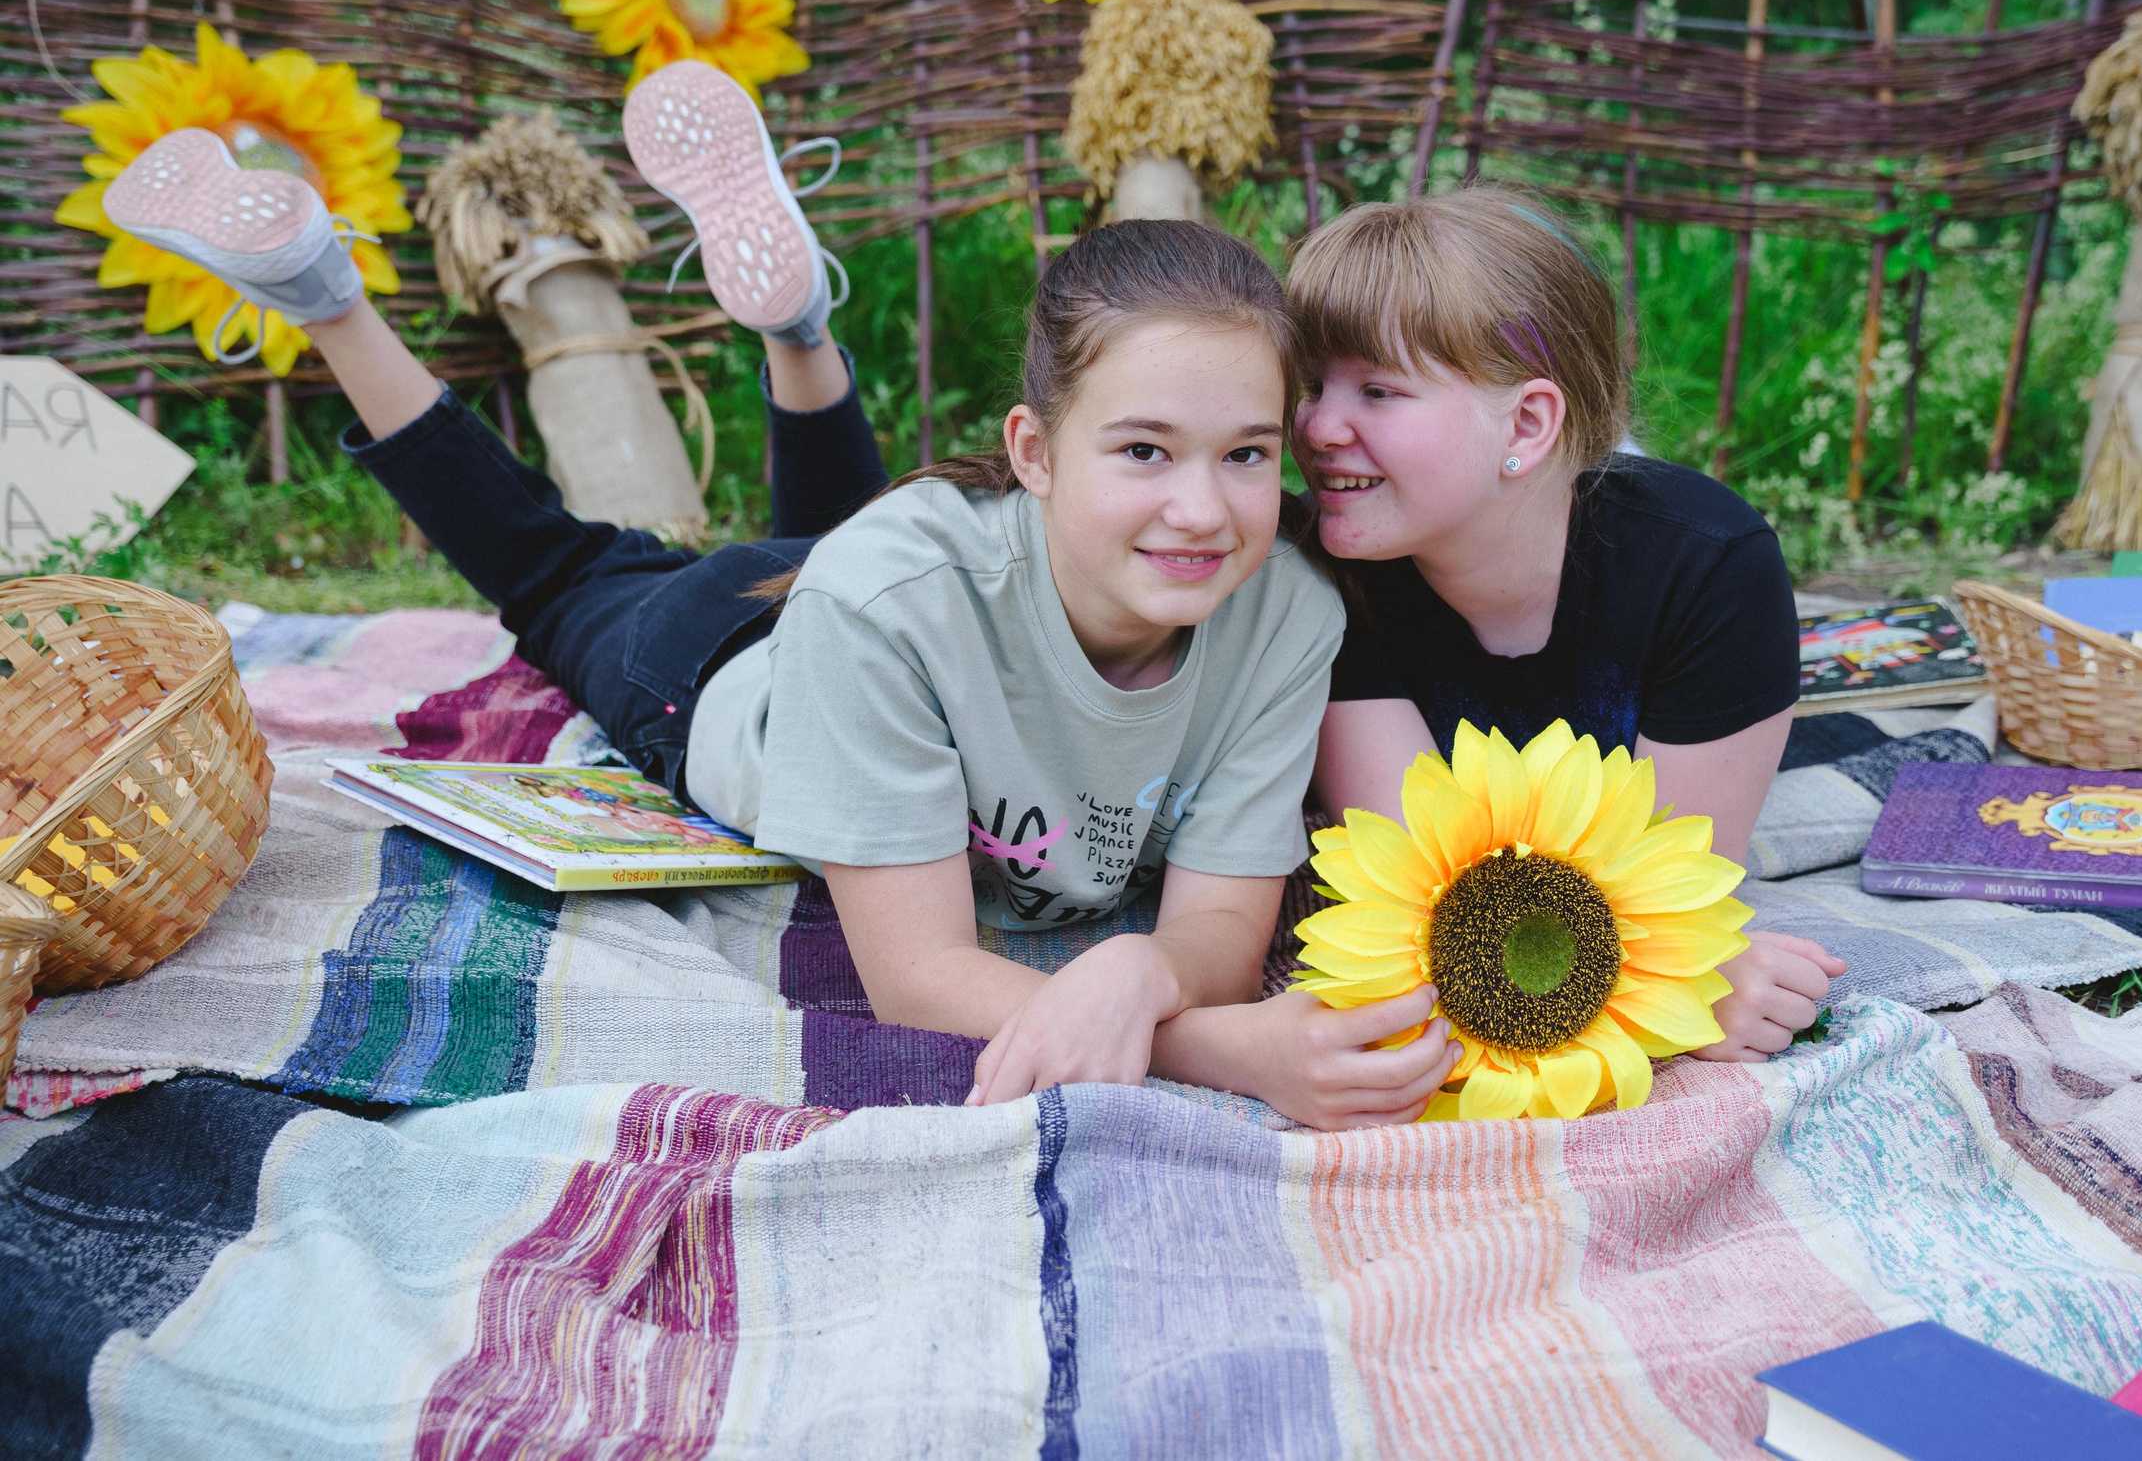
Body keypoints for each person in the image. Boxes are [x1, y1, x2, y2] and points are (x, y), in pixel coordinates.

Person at [99, 60, 1460, 1128]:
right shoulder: (892, 594)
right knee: (553, 569)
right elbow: (916, 976)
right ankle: (324, 294)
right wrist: (1223, 1047)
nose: (1205, 506)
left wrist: (1142, 968)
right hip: (715, 663)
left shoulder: (1287, 610)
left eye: (1247, 454)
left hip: (884, 593)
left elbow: (1217, 923)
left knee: (851, 546)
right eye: (1146, 450)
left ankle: (801, 323)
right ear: (1036, 452)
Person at [1291, 186, 1848, 1062]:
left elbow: (1666, 901)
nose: (1318, 426)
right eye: (1312, 384)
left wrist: (1683, 966)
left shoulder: (1709, 567)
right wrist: (1683, 974)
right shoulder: (1319, 579)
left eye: (1378, 390)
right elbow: (1425, 892)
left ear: (1528, 421)